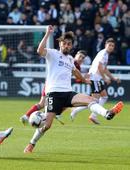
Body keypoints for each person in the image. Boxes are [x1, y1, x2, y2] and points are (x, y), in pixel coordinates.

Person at [23, 25, 123, 153]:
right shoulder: (53, 53)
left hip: (68, 93)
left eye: (69, 44)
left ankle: (107, 113)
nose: (67, 46)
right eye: (65, 43)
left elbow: (75, 72)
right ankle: (32, 143)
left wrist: (84, 80)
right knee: (47, 125)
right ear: (60, 44)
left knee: (91, 99)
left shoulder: (70, 59)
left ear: (71, 46)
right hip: (53, 94)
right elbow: (39, 50)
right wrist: (48, 33)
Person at [20, 50, 87, 125]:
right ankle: (50, 115)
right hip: (52, 84)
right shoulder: (68, 59)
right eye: (80, 56)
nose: (81, 58)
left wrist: (84, 78)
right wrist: (83, 78)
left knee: (49, 103)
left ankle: (28, 116)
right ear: (76, 55)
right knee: (45, 103)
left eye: (83, 58)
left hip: (58, 86)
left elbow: (77, 79)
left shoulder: (77, 66)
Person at [70, 38, 121, 124]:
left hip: (97, 78)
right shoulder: (103, 53)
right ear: (105, 45)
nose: (111, 47)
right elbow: (99, 67)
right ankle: (77, 111)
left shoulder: (105, 54)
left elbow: (104, 68)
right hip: (94, 78)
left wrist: (113, 78)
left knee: (104, 97)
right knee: (94, 101)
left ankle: (93, 115)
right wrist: (104, 78)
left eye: (112, 46)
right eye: (109, 45)